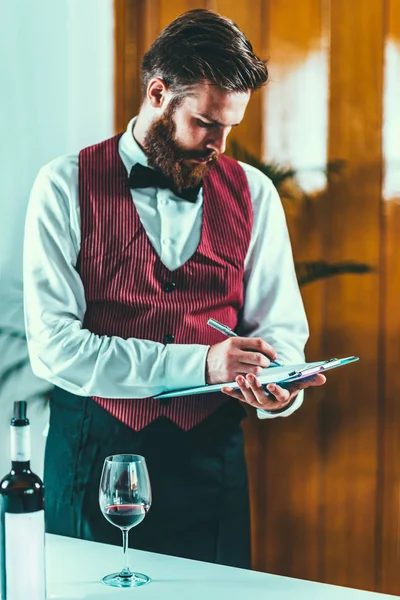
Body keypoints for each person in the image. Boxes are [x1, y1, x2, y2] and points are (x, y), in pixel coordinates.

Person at [23, 8, 326, 569]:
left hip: (210, 462)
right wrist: (202, 365)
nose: (220, 143)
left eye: (231, 127)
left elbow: (279, 335)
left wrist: (279, 389)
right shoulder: (64, 185)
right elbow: (54, 346)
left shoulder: (254, 194)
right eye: (207, 124)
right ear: (158, 93)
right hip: (94, 451)